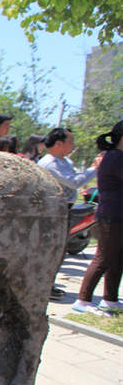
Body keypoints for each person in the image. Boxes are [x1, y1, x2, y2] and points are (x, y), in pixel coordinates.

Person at [38, 127, 101, 300]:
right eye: (70, 141)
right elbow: (74, 182)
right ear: (58, 144)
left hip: (63, 209)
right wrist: (95, 167)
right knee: (50, 249)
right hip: (51, 211)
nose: (73, 145)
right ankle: (43, 285)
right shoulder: (50, 163)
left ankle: (48, 284)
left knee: (58, 249)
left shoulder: (63, 161)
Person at [73, 120, 123, 315]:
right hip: (111, 215)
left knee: (117, 258)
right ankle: (83, 300)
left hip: (118, 215)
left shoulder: (116, 156)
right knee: (103, 257)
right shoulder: (116, 158)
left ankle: (110, 299)